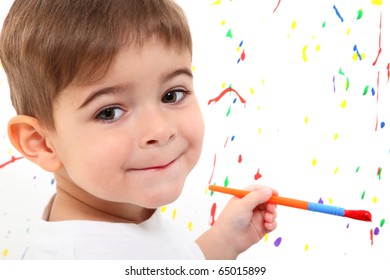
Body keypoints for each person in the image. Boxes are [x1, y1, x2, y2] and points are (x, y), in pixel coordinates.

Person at [0, 0, 277, 259]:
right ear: (42, 143)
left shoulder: (116, 221)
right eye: (109, 112)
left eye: (172, 95)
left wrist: (225, 240)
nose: (159, 129)